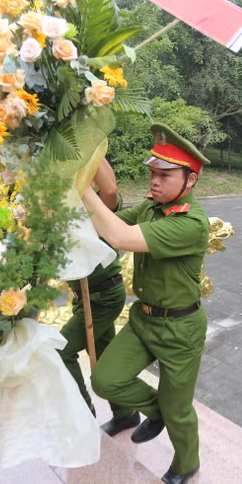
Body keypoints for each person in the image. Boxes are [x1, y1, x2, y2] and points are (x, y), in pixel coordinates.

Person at [82, 123, 210, 484]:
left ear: (190, 181)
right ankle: (157, 411)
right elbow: (104, 225)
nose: (154, 181)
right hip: (144, 319)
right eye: (152, 172)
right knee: (105, 380)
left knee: (180, 410)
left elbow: (120, 237)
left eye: (164, 175)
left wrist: (80, 190)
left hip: (180, 331)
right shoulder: (152, 209)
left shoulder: (191, 223)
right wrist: (88, 165)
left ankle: (187, 462)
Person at [58, 159, 137, 436]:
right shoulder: (60, 212)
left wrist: (89, 144)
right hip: (85, 298)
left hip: (104, 295)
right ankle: (126, 414)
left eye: (84, 177)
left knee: (61, 350)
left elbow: (111, 188)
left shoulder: (98, 212)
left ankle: (83, 415)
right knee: (103, 355)